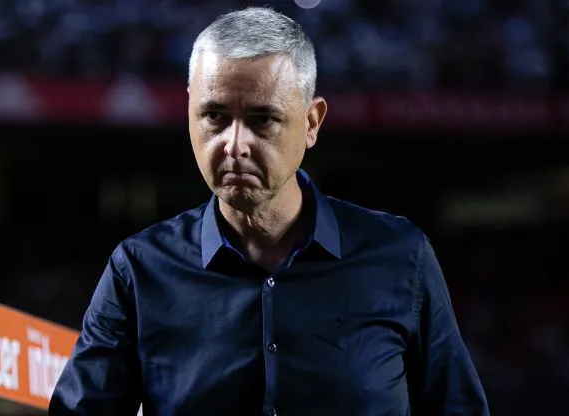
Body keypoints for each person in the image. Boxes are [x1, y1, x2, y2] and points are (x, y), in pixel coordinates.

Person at [49, 7, 489, 416]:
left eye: (262, 119)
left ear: (312, 123)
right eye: (214, 116)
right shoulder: (138, 271)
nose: (234, 144)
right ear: (188, 113)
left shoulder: (401, 258)